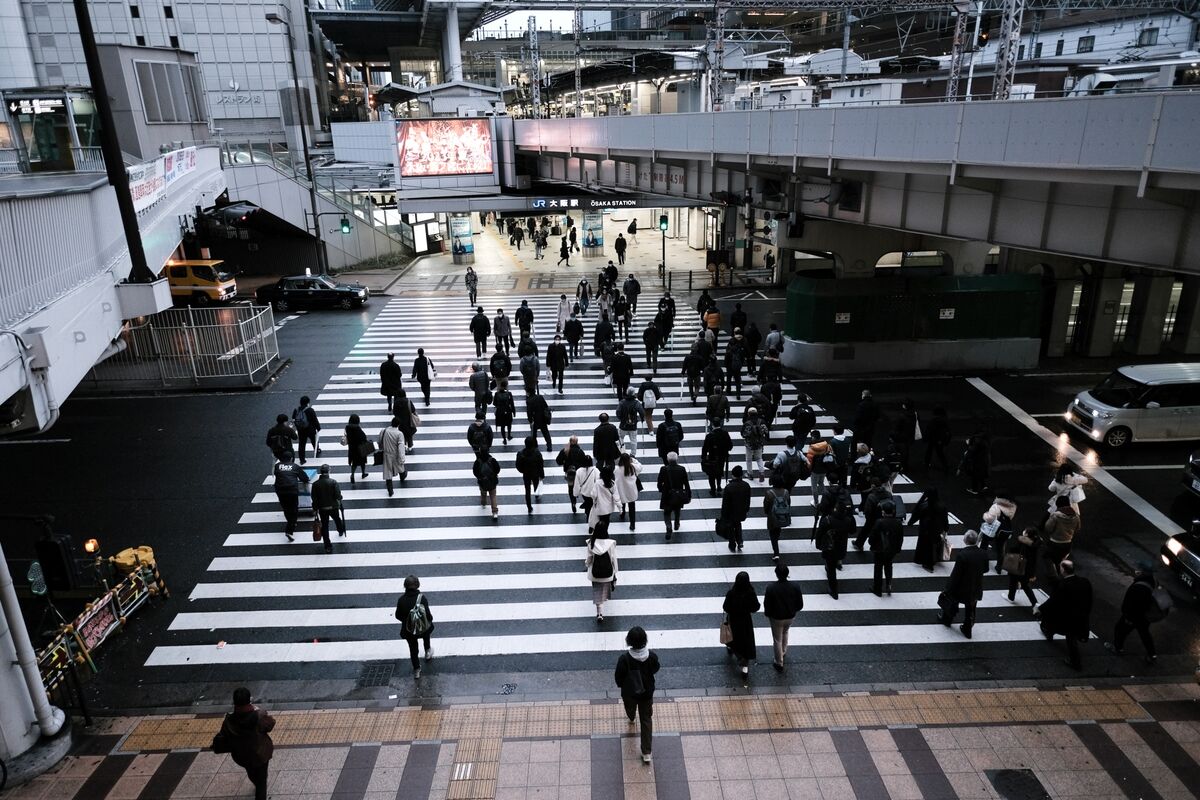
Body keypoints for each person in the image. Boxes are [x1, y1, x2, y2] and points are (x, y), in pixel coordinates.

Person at [215, 688, 276, 800]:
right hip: (259, 754)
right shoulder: (259, 716)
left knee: (251, 772)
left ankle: (256, 781)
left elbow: (224, 735)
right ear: (249, 700)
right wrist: (259, 710)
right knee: (261, 782)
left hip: (241, 756)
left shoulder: (229, 721)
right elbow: (270, 725)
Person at [614, 626, 658, 764]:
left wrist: (622, 685)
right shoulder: (651, 656)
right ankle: (646, 752)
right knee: (646, 719)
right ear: (645, 640)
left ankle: (631, 716)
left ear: (629, 641)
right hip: (646, 693)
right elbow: (656, 668)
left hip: (630, 693)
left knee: (630, 707)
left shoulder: (625, 659)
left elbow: (618, 676)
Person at [1038, 560, 1092, 670]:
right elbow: (1090, 599)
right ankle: (1050, 632)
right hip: (1081, 615)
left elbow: (1053, 601)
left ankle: (1076, 663)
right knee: (1071, 636)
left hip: (1068, 616)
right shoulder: (1085, 582)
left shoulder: (1063, 585)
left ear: (1063, 570)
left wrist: (1040, 609)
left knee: (1070, 639)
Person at [937, 530, 989, 638]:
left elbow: (956, 575)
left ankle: (947, 620)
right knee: (970, 608)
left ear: (965, 540)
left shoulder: (962, 555)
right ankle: (967, 629)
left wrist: (948, 588)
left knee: (952, 601)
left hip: (961, 586)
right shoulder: (983, 553)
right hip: (975, 585)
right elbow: (985, 569)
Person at [1105, 570, 1161, 665]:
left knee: (1119, 629)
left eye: (1138, 571)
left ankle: (1118, 649)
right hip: (1145, 616)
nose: (1136, 572)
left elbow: (1131, 605)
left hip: (1134, 616)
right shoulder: (1152, 581)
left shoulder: (1139, 587)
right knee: (1145, 634)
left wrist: (1128, 618)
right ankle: (1152, 655)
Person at [762, 563, 804, 672]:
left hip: (776, 617)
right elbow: (800, 604)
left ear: (776, 574)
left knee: (777, 639)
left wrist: (768, 614)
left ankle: (779, 662)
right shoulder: (795, 586)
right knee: (785, 632)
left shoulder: (771, 587)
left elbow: (767, 604)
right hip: (790, 616)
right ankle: (783, 651)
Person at [394, 575, 434, 678]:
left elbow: (398, 616)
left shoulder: (401, 600)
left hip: (409, 630)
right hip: (422, 629)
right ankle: (427, 651)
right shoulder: (421, 598)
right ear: (417, 585)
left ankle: (417, 670)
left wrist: (408, 621)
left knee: (413, 648)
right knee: (426, 630)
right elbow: (428, 615)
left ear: (405, 586)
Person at [723, 571, 760, 679]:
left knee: (733, 639)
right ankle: (744, 666)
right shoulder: (750, 593)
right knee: (746, 642)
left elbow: (725, 607)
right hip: (745, 621)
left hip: (733, 620)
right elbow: (755, 608)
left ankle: (734, 651)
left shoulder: (731, 593)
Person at [816, 499, 854, 598]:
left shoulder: (827, 520)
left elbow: (819, 533)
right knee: (834, 563)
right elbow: (853, 530)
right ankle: (834, 566)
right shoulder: (848, 520)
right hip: (841, 547)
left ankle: (834, 591)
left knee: (831, 569)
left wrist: (818, 544)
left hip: (829, 548)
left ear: (835, 509)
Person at [909, 488, 949, 571]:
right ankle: (935, 559)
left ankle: (927, 563)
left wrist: (910, 523)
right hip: (937, 529)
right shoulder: (941, 505)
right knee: (935, 544)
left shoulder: (924, 505)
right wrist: (946, 528)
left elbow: (916, 515)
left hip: (925, 530)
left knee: (925, 546)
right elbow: (945, 519)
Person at [870, 499, 904, 597]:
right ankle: (888, 584)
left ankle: (877, 589)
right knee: (888, 566)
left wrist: (871, 544)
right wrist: (898, 549)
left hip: (879, 549)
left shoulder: (879, 522)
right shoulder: (898, 523)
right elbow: (900, 537)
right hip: (892, 549)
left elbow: (873, 536)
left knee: (878, 568)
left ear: (883, 511)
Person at [273, 453, 309, 542]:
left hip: (280, 490)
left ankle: (291, 522)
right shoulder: (295, 466)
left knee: (286, 508)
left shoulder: (277, 466)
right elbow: (305, 478)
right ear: (291, 458)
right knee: (294, 510)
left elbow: (277, 474)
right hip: (291, 490)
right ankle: (289, 530)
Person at [1042, 495, 1080, 578]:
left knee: (1047, 557)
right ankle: (1062, 575)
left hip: (1055, 542)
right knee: (1059, 560)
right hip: (1068, 543)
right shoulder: (1076, 516)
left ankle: (1054, 577)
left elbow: (1048, 528)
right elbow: (1078, 528)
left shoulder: (1055, 516)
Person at [587, 525, 618, 622]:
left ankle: (599, 612)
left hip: (595, 573)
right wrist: (615, 572)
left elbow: (589, 559)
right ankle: (602, 605)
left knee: (597, 591)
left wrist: (587, 564)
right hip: (607, 573)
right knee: (604, 589)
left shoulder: (591, 543)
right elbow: (613, 559)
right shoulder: (610, 544)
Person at [1004, 525, 1041, 608]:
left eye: (1025, 531)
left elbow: (1013, 549)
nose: (1023, 531)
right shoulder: (1035, 544)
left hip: (1018, 566)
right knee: (1025, 586)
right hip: (1028, 569)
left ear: (1027, 534)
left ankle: (1011, 597)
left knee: (1013, 582)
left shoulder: (1022, 542)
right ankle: (1035, 603)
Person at [311, 465, 345, 553]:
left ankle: (327, 546)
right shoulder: (333, 482)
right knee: (337, 519)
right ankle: (340, 530)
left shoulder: (315, 484)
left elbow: (314, 498)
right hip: (333, 507)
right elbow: (338, 496)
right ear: (329, 471)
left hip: (322, 508)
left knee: (325, 526)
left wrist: (315, 508)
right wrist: (340, 497)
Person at [657, 451, 690, 539]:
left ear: (667, 459)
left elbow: (659, 482)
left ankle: (668, 526)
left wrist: (661, 489)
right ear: (677, 459)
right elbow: (686, 483)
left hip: (667, 494)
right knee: (677, 509)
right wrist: (688, 494)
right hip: (678, 493)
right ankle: (676, 523)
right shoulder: (682, 469)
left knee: (667, 512)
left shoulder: (663, 469)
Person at [719, 466, 752, 553]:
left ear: (733, 475)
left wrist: (723, 515)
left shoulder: (729, 487)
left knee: (730, 527)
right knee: (738, 524)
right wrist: (746, 509)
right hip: (741, 511)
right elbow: (748, 500)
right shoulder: (746, 486)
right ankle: (740, 541)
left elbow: (725, 503)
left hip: (730, 512)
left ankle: (732, 544)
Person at [557, 437, 590, 514]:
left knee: (571, 488)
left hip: (570, 473)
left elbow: (558, 461)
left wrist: (564, 463)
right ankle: (584, 501)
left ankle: (573, 502)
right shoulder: (580, 451)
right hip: (579, 473)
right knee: (581, 487)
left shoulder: (565, 451)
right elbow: (585, 462)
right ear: (577, 442)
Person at [763, 473, 791, 561]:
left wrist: (767, 512)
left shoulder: (769, 493)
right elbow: (789, 503)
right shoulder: (786, 492)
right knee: (778, 530)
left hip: (772, 516)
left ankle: (776, 553)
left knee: (772, 534)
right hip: (782, 515)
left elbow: (766, 507)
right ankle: (777, 541)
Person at [701, 421, 733, 497]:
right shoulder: (725, 433)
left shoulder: (709, 436)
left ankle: (713, 489)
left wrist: (703, 457)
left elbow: (705, 448)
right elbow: (730, 446)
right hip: (722, 457)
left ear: (712, 425)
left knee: (711, 474)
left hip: (712, 457)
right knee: (719, 471)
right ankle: (718, 486)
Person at [378, 416, 407, 497]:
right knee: (400, 467)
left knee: (388, 473)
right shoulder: (399, 434)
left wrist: (381, 448)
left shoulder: (384, 431)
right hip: (396, 454)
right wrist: (402, 458)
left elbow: (379, 441)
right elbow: (401, 446)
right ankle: (402, 476)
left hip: (386, 454)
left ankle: (390, 490)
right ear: (398, 425)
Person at [615, 450, 642, 530]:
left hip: (621, 490)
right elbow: (640, 466)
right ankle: (632, 524)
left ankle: (622, 513)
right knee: (632, 508)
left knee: (623, 503)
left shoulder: (617, 469)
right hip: (631, 491)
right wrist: (633, 460)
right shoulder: (632, 467)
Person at [958, 430, 991, 495]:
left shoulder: (976, 442)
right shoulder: (984, 441)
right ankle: (983, 486)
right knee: (980, 474)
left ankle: (974, 489)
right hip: (983, 461)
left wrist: (968, 444)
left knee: (974, 476)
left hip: (976, 463)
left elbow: (971, 452)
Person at [742, 407, 769, 483]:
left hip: (749, 444)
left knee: (749, 459)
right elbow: (766, 431)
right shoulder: (762, 421)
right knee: (759, 458)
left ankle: (750, 474)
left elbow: (743, 434)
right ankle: (761, 472)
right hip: (759, 443)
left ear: (748, 413)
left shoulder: (747, 423)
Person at [891, 399, 918, 473]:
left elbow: (897, 427)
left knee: (902, 453)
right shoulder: (914, 414)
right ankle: (905, 467)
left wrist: (893, 435)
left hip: (901, 437)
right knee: (906, 452)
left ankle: (902, 467)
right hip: (909, 436)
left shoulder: (902, 416)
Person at [291, 396, 320, 464]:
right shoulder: (310, 410)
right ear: (307, 402)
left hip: (301, 430)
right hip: (310, 429)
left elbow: (293, 419)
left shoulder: (296, 410)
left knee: (302, 444)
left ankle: (302, 459)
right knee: (314, 440)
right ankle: (316, 449)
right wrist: (318, 428)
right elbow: (315, 420)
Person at [474, 448, 501, 519]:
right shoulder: (492, 460)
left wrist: (480, 477)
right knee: (493, 496)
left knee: (483, 492)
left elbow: (475, 471)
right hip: (492, 481)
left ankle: (483, 502)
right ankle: (494, 512)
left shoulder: (478, 461)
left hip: (482, 481)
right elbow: (498, 469)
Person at [617, 388, 644, 456]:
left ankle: (622, 451)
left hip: (623, 425)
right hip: (633, 425)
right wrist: (642, 419)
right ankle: (633, 454)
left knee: (620, 437)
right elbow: (641, 411)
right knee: (633, 440)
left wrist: (621, 418)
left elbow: (618, 412)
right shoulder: (636, 403)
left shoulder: (622, 402)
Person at [344, 414, 369, 485]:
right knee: (363, 461)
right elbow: (363, 437)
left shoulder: (347, 427)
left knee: (354, 463)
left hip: (352, 448)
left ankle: (352, 475)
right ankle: (363, 473)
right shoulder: (357, 429)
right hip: (360, 448)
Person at [492, 380, 516, 445]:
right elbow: (512, 403)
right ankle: (509, 435)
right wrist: (514, 412)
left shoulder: (497, 394)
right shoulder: (509, 394)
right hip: (508, 411)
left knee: (502, 426)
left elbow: (494, 403)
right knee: (509, 424)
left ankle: (504, 439)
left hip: (500, 411)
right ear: (506, 386)